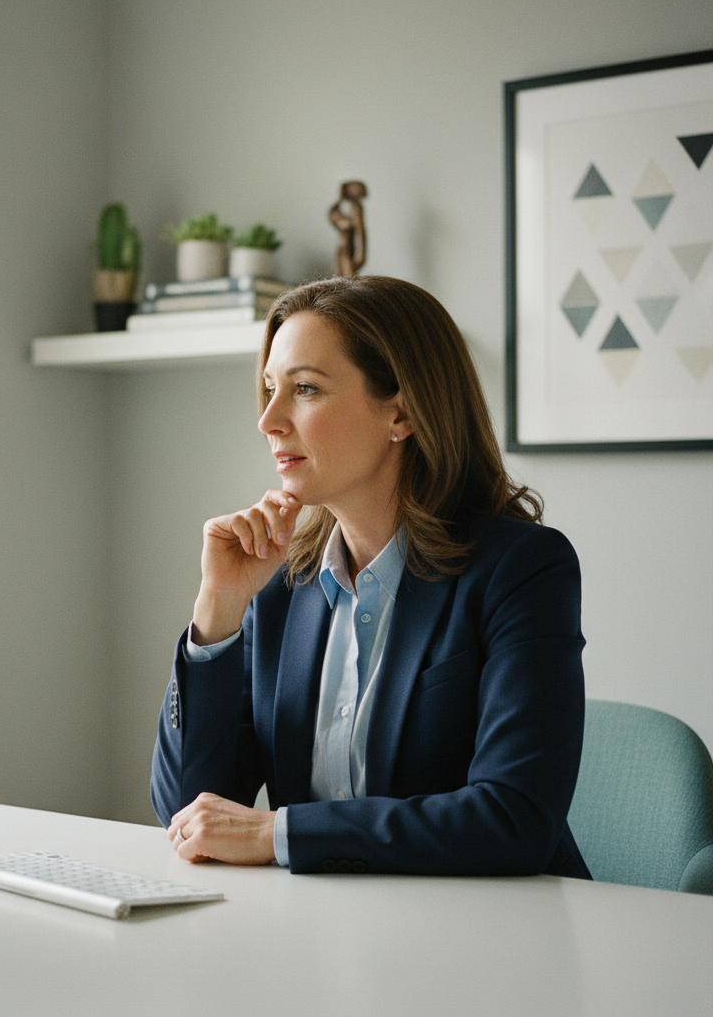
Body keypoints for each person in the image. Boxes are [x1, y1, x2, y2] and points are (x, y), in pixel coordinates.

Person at [151, 275, 591, 878]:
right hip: (324, 935)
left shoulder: (522, 570)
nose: (269, 420)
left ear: (402, 414)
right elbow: (187, 809)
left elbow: (513, 820)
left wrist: (279, 832)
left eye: (304, 389)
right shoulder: (279, 584)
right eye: (269, 389)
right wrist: (218, 608)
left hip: (495, 940)